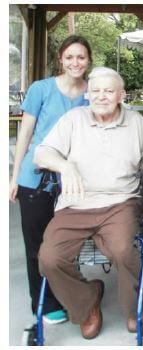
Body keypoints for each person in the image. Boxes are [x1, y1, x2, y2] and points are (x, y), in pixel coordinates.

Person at [34, 67, 143, 340]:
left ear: (121, 95)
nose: (102, 96)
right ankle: (86, 304)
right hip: (75, 204)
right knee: (49, 258)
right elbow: (41, 153)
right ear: (87, 94)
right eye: (96, 91)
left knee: (123, 250)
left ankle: (134, 311)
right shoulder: (73, 119)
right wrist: (65, 165)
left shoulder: (135, 122)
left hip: (121, 202)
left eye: (109, 91)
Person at [9, 35, 92, 325]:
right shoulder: (41, 89)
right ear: (60, 59)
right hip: (36, 177)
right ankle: (43, 303)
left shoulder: (92, 92)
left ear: (88, 60)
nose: (75, 62)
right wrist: (14, 176)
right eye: (69, 57)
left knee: (65, 244)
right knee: (37, 245)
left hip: (76, 179)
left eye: (81, 57)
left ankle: (70, 293)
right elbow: (26, 134)